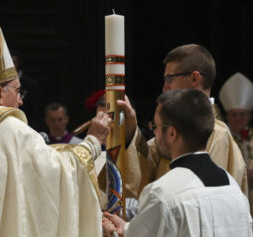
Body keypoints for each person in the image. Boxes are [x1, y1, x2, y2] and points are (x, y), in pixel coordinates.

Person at [0, 19, 110, 236]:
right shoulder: (10, 126)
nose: (21, 101)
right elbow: (59, 172)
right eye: (18, 91)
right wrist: (93, 142)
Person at [103, 89, 252, 237]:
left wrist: (113, 234)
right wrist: (128, 229)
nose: (154, 133)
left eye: (156, 127)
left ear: (172, 133)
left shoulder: (162, 192)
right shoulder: (233, 189)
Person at [119, 44, 247, 199]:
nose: (164, 87)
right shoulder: (179, 125)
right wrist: (131, 128)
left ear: (194, 78)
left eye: (169, 78)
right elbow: (149, 166)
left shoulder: (217, 134)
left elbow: (202, 199)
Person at [219, 72, 253, 214]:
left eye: (242, 114)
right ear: (227, 116)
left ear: (249, 116)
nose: (239, 118)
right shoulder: (221, 138)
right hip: (230, 195)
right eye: (234, 114)